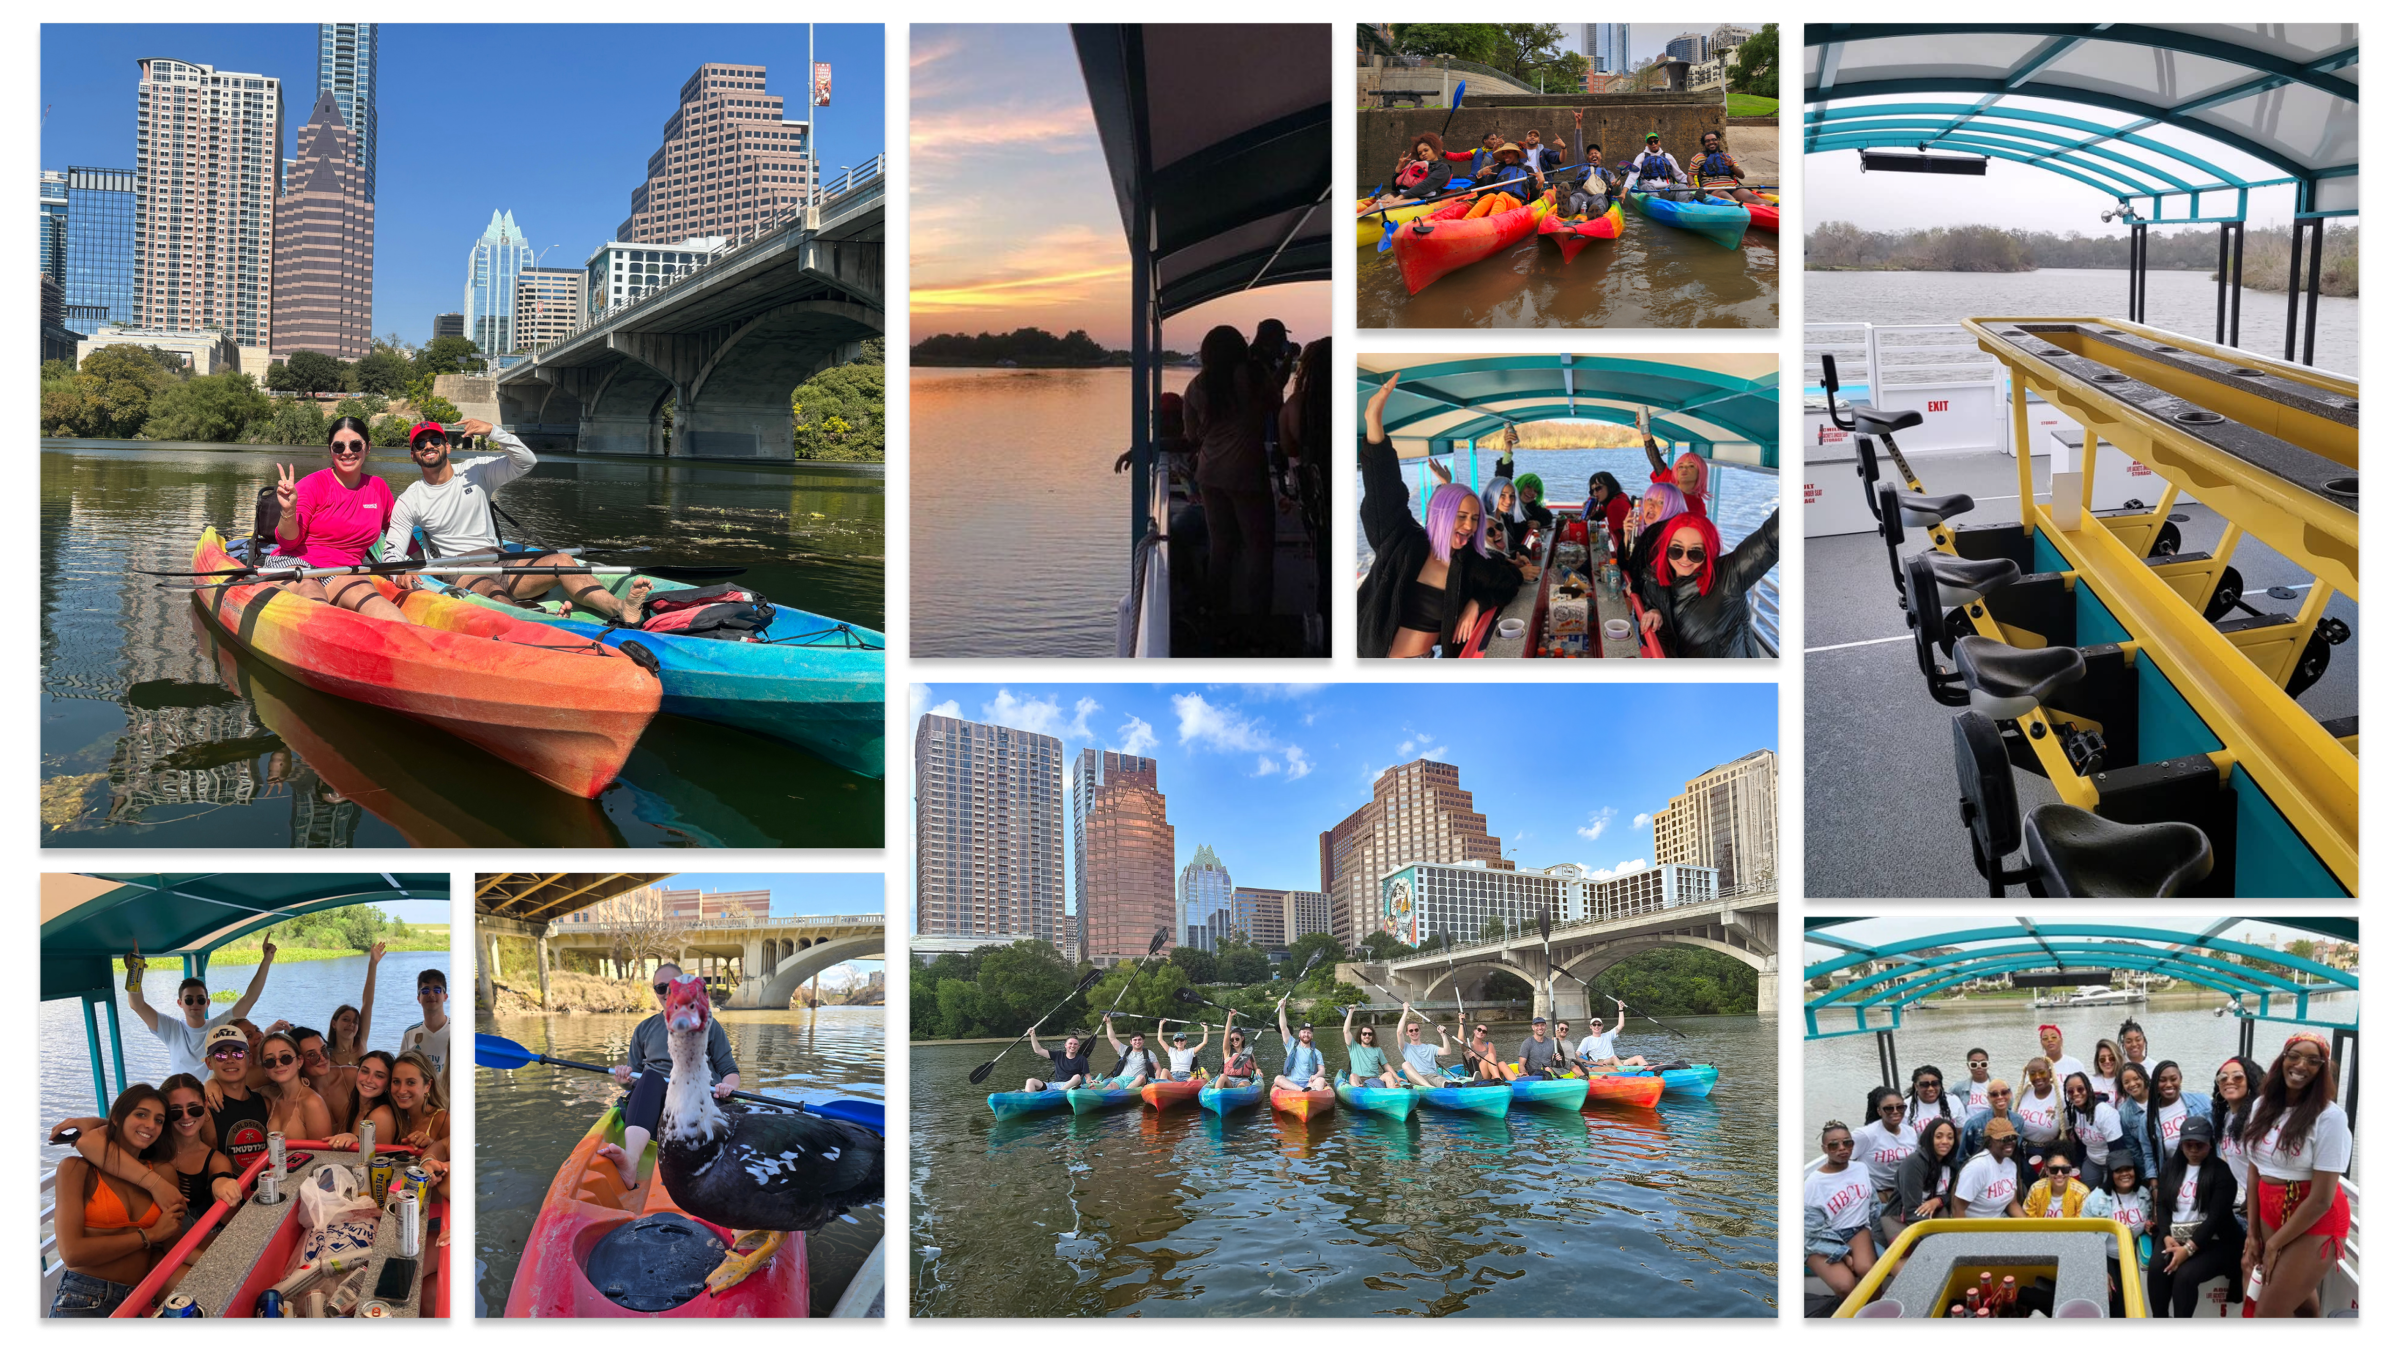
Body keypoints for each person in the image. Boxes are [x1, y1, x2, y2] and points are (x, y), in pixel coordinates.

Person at [381, 418, 649, 623]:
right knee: (491, 590)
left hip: (499, 558)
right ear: (413, 455)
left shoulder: (477, 471)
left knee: (563, 561)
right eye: (420, 443)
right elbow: (391, 554)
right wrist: (400, 572)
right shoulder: (410, 499)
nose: (429, 446)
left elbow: (526, 461)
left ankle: (621, 608)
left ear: (447, 446)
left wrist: (493, 431)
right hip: (458, 568)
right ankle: (542, 621)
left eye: (435, 440)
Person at [1356, 373, 1537, 661]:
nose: (1470, 526)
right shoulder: (1403, 542)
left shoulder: (1469, 562)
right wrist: (1374, 421)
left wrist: (1476, 603)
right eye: (1461, 516)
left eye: (1476, 519)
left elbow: (1507, 582)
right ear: (1441, 515)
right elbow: (1384, 492)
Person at [594, 963, 740, 1190]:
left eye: (671, 987)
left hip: (700, 1097)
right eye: (660, 988)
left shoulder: (709, 1025)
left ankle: (709, 1167)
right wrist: (624, 1078)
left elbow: (729, 1070)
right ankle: (631, 1160)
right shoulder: (644, 1028)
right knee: (650, 1077)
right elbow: (633, 1077)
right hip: (655, 1105)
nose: (666, 993)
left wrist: (726, 1086)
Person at [47, 1085, 184, 1318]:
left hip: (139, 1298)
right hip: (81, 1298)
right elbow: (71, 1253)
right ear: (118, 1118)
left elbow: (172, 1243)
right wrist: (148, 1236)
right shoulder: (76, 1169)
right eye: (141, 1114)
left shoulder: (163, 1174)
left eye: (159, 1120)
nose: (151, 1125)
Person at [2238, 1032, 2350, 1318]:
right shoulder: (2262, 1106)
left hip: (2315, 1218)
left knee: (2267, 1312)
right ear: (2283, 1059)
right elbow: (2254, 1171)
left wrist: (2273, 1244)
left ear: (2323, 1070)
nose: (2302, 1066)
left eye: (2314, 1061)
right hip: (2270, 1209)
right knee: (2300, 1304)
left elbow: (2322, 1199)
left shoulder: (2330, 1118)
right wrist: (2252, 1234)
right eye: (2295, 1056)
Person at [257, 418, 410, 621]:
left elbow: (397, 530)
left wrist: (408, 566)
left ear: (368, 447)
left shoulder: (378, 487)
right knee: (311, 590)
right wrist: (288, 510)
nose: (347, 452)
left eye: (355, 445)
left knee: (376, 603)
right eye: (339, 446)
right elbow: (288, 541)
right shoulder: (312, 484)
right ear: (331, 451)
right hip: (297, 563)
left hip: (345, 570)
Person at [1185, 326, 1277, 622]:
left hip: (1209, 473)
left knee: (1221, 547)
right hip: (1247, 472)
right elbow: (1276, 405)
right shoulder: (1253, 376)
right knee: (1259, 552)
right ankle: (1259, 624)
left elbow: (1191, 436)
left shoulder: (1196, 386)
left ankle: (1217, 619)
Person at [121, 934, 279, 1083]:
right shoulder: (171, 1029)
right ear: (180, 1003)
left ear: (208, 1003)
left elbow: (249, 998)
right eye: (189, 1000)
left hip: (210, 1101)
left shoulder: (220, 1027)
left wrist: (267, 960)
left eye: (200, 999)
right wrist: (135, 969)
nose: (195, 1004)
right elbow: (137, 1005)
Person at [1636, 506, 1783, 659]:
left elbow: (1770, 541)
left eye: (1695, 553)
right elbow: (1652, 636)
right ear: (1666, 548)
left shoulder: (1728, 577)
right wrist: (1653, 611)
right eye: (1676, 550)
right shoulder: (1654, 581)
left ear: (1708, 551)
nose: (1684, 558)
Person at [2143, 1115, 2239, 1317]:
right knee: (2156, 1269)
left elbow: (2216, 1219)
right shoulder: (2171, 1167)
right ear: (2181, 1144)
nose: (2194, 1150)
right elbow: (2161, 1204)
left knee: (2185, 1276)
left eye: (2199, 1145)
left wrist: (2187, 1249)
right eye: (2188, 1145)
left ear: (2210, 1144)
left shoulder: (2222, 1173)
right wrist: (2167, 1236)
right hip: (2174, 1234)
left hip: (2213, 1240)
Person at [1281, 336, 1337, 650]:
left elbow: (1288, 446)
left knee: (1325, 569)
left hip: (1319, 502)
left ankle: (1327, 638)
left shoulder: (1298, 404)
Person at [1803, 1121, 1879, 1299]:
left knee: (1870, 1274)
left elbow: (1872, 1204)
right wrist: (1843, 1255)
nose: (1842, 1148)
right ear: (1824, 1149)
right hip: (1820, 1239)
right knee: (1845, 1285)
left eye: (1848, 1142)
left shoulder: (1861, 1168)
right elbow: (1812, 1231)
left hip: (1856, 1230)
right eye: (1834, 1145)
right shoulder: (1813, 1183)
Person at [197, 1023, 273, 1176]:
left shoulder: (264, 1103)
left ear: (249, 1059)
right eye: (220, 1055)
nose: (230, 1060)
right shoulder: (205, 1110)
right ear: (208, 1063)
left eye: (238, 1053)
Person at [2136, 1061, 2213, 1198]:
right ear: (2155, 1084)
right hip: (2174, 1176)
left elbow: (2218, 1137)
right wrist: (2154, 1189)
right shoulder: (2147, 1119)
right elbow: (2149, 1156)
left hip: (2206, 1172)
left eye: (2173, 1079)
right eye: (2162, 1080)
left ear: (2180, 1079)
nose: (2169, 1084)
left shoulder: (2202, 1102)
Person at [387, 1049, 452, 1204]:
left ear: (428, 1085)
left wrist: (431, 1146)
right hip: (400, 1201)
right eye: (396, 1081)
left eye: (411, 1082)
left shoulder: (442, 1119)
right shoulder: (395, 1116)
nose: (401, 1090)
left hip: (432, 1213)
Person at [2211, 1055, 2268, 1220]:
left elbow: (2262, 1169)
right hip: (2250, 1199)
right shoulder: (2227, 1116)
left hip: (2265, 1200)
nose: (2229, 1081)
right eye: (2222, 1078)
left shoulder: (2257, 1119)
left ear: (2250, 1081)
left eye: (2237, 1077)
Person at [1885, 1117, 1958, 1242]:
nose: (1945, 1141)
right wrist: (1941, 1240)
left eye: (1950, 1137)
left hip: (1934, 1216)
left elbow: (1952, 1195)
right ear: (1929, 1138)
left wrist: (1938, 1201)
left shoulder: (1952, 1163)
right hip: (1902, 1219)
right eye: (1939, 1136)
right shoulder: (1914, 1163)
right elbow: (1912, 1212)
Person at [251, 1030, 333, 1141]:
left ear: (299, 1061)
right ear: (265, 1070)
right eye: (270, 1061)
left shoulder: (313, 1103)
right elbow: (240, 1090)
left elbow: (324, 1155)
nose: (279, 1064)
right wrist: (217, 1085)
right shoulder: (271, 1095)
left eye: (286, 1057)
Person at [1851, 1089, 1914, 1232]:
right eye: (1888, 1108)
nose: (1895, 1111)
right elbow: (1845, 1160)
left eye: (1900, 1107)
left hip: (1903, 1195)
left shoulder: (1910, 1132)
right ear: (1879, 1111)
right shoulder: (1865, 1135)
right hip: (1878, 1198)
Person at [1636, 406, 1710, 518]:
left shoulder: (1698, 506)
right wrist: (1645, 432)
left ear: (1701, 472)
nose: (1684, 469)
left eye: (1691, 466)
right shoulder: (1669, 481)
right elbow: (1656, 460)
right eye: (1680, 466)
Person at [397, 966, 451, 1112]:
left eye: (437, 989)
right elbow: (401, 1071)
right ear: (418, 998)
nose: (431, 994)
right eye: (425, 991)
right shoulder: (410, 1034)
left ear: (445, 996)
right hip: (421, 1105)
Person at [1548, 111, 1618, 221]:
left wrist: (1617, 184)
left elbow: (1615, 185)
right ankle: (1567, 208)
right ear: (1587, 158)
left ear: (1601, 157)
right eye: (1591, 154)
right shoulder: (1582, 166)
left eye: (1596, 153)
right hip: (1581, 193)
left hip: (1598, 195)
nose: (1594, 154)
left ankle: (1596, 211)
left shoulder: (1607, 172)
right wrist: (1578, 124)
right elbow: (1577, 146)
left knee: (1600, 198)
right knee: (1576, 198)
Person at [1952, 1116, 2026, 1218]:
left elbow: (2012, 1204)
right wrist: (1965, 1234)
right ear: (1989, 1141)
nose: (2009, 1142)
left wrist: (2030, 1228)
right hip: (1975, 1227)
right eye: (2003, 1138)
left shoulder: (2011, 1165)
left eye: (2013, 1138)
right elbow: (1957, 1208)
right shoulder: (1977, 1167)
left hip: (1997, 1224)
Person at [328, 1050, 401, 1153]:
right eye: (365, 1071)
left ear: (388, 1084)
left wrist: (355, 1138)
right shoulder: (350, 1107)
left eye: (379, 1076)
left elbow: (378, 1161)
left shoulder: (381, 1115)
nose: (369, 1080)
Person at [2062, 1071, 2124, 1188]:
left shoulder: (2105, 1113)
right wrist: (2078, 1165)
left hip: (2111, 1162)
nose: (2075, 1094)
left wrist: (2111, 1178)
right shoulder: (2074, 1112)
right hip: (2092, 1160)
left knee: (2106, 1195)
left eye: (2080, 1089)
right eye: (2070, 1091)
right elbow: (2080, 1145)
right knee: (2083, 1191)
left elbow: (2118, 1151)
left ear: (2089, 1089)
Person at [1621, 482, 1690, 584]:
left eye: (1661, 502)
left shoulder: (1660, 535)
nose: (1651, 505)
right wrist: (1628, 534)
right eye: (1649, 500)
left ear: (1673, 507)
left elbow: (1632, 570)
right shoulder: (1646, 530)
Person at [2012, 1057, 2066, 1186]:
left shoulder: (2061, 1097)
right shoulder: (2024, 1093)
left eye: (2042, 1072)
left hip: (2048, 1153)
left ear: (2050, 1072)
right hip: (2022, 1151)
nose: (2037, 1077)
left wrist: (2053, 1160)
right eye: (2032, 1074)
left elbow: (2066, 1133)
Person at [1366, 131, 1450, 206]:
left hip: (1422, 198)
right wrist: (1398, 169)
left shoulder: (1442, 168)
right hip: (1401, 194)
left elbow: (1426, 186)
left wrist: (1400, 197)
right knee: (1375, 206)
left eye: (1426, 150)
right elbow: (1395, 188)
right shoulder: (1417, 165)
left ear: (1435, 149)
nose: (1423, 154)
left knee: (1387, 206)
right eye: (1420, 153)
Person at [1687, 129, 1767, 205]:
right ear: (1704, 144)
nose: (1711, 142)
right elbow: (1690, 174)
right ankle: (1739, 208)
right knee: (1729, 198)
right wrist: (1693, 184)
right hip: (1713, 189)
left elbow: (1741, 176)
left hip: (1732, 187)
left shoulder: (1728, 157)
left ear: (1718, 140)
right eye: (1707, 141)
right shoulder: (1699, 158)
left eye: (1714, 139)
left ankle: (1776, 206)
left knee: (1752, 197)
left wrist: (1732, 166)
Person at [2114, 1062, 2157, 1185]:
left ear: (2144, 1077)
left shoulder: (2160, 1098)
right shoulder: (2124, 1113)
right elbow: (2134, 1150)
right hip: (2149, 1165)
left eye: (2136, 1078)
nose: (2132, 1084)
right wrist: (2148, 1173)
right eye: (2126, 1082)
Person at [1272, 1000, 1328, 1093]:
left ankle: (1309, 1091)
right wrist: (1282, 1008)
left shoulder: (1317, 1052)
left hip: (1309, 1082)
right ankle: (1303, 1091)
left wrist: (1316, 1076)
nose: (1306, 1034)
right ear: (1299, 1034)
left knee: (1321, 1080)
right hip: (1291, 1082)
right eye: (1304, 1032)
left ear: (1312, 1036)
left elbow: (1322, 1070)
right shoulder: (1291, 1044)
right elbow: (1283, 1027)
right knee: (1278, 1078)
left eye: (1309, 1032)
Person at [1391, 1003, 1449, 1088]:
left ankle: (1467, 1086)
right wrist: (1405, 1011)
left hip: (1431, 1076)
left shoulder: (1430, 1047)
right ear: (1407, 1033)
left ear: (1420, 1031)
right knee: (1405, 1064)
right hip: (1416, 1078)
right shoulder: (1405, 1047)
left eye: (1416, 1029)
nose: (1414, 1032)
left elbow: (1447, 1051)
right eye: (1411, 1031)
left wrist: (1443, 1035)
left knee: (1446, 1083)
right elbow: (1399, 1032)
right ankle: (1429, 1087)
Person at [1341, 1007, 1401, 1088]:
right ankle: (1359, 1090)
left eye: (1370, 1034)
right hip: (1359, 1079)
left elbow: (1386, 1065)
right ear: (1360, 1035)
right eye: (1364, 1033)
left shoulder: (1377, 1049)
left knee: (1388, 1074)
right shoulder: (1353, 1046)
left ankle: (1393, 1091)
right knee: (1352, 1076)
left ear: (1373, 1036)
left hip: (1374, 1080)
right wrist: (1351, 1012)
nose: (1367, 1036)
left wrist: (1397, 1077)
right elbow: (1346, 1031)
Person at [1580, 472, 1634, 562]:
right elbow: (1599, 515)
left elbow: (1623, 537)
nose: (1595, 493)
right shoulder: (1619, 496)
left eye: (1598, 488)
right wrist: (1590, 508)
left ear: (1610, 486)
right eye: (1592, 491)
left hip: (1625, 554)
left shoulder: (1614, 505)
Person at [1576, 1005, 1649, 1071]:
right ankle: (1625, 1072)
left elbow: (1621, 1025)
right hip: (1601, 1063)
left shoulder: (1608, 1035)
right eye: (1594, 1025)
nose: (1596, 1026)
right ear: (1590, 1027)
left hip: (1615, 1061)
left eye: (1599, 1024)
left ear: (1602, 1026)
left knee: (1639, 1057)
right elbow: (1577, 1054)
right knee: (1614, 1058)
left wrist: (1620, 1008)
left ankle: (1650, 1071)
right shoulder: (1587, 1040)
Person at [1093, 1014, 1157, 1089]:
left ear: (1143, 1041)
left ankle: (1124, 1093)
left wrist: (1156, 1082)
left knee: (1141, 1077)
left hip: (1137, 1081)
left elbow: (1158, 1069)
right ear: (1131, 1042)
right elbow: (1112, 1039)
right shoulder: (1124, 1050)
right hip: (1121, 1079)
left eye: (1140, 1039)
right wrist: (1108, 1023)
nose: (1137, 1042)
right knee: (1110, 1086)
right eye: (1135, 1040)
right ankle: (1100, 1094)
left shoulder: (1149, 1053)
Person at [1020, 1028, 1090, 1094]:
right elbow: (1038, 1050)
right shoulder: (1058, 1055)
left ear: (1078, 1046)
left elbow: (1087, 1077)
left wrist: (1091, 1082)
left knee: (1077, 1077)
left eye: (1075, 1044)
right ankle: (1028, 1100)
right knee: (1030, 1081)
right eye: (1070, 1043)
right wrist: (1032, 1035)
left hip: (1071, 1086)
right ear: (1065, 1045)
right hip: (1055, 1085)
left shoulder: (1082, 1059)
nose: (1072, 1046)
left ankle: (1058, 1093)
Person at [2026, 1149, 2090, 1220]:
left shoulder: (2082, 1193)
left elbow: (2082, 1225)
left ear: (2070, 1170)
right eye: (2054, 1170)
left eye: (2064, 1169)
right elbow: (2029, 1219)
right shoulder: (2035, 1189)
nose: (2060, 1174)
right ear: (2047, 1170)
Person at [1959, 1077, 2013, 1159]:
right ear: (1988, 1098)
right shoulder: (1974, 1124)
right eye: (1994, 1094)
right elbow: (1962, 1156)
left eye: (2004, 1092)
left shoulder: (2018, 1121)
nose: (2000, 1097)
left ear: (2010, 1094)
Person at [1442, 1020, 1510, 1084]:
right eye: (1479, 1030)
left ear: (1485, 1034)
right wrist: (1461, 1022)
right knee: (1490, 1056)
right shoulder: (1468, 1046)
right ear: (1474, 1031)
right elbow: (1460, 1039)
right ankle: (1497, 1079)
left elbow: (1493, 1062)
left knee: (1502, 1063)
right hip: (1478, 1075)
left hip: (1491, 1074)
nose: (1481, 1032)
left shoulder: (1489, 1044)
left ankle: (1516, 1082)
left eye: (1484, 1031)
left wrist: (1478, 1058)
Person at [1516, 1016, 1583, 1079]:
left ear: (1545, 1026)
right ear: (1533, 1027)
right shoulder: (1527, 1043)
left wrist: (1557, 1058)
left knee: (1549, 1069)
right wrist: (1524, 1073)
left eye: (1542, 1025)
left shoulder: (1551, 1042)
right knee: (1547, 1069)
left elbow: (1554, 1061)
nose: (1540, 1028)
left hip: (1549, 1071)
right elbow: (1521, 1064)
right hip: (1534, 1073)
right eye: (1537, 1026)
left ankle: (1571, 1079)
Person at [1210, 1018, 1258, 1091]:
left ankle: (1239, 1095)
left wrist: (1258, 1070)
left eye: (1237, 1039)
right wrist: (1230, 1017)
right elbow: (1226, 1034)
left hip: (1243, 1080)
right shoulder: (1227, 1051)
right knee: (1222, 1076)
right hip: (1229, 1080)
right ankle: (1217, 1093)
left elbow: (1256, 1068)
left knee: (1241, 1086)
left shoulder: (1249, 1053)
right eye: (1232, 1039)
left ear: (1242, 1038)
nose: (1234, 1041)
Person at [1161, 1018, 1212, 1085]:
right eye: (1177, 1040)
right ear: (1174, 1043)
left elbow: (1204, 1042)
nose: (1179, 1042)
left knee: (1192, 1079)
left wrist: (1205, 1028)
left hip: (1186, 1077)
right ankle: (1162, 1088)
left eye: (1181, 1040)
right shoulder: (1171, 1051)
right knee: (1164, 1070)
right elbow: (1160, 1040)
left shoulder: (1190, 1051)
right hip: (1173, 1077)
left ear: (1185, 1042)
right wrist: (1161, 1025)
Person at [2118, 1020, 2165, 1087]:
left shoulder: (2155, 1067)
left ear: (2144, 1040)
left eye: (2138, 1040)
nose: (2134, 1044)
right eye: (2129, 1041)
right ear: (2123, 1044)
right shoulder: (2117, 1064)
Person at [1950, 1048, 1994, 1114]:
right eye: (1974, 1064)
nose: (1979, 1067)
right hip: (1968, 1124)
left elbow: (2009, 1109)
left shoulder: (1999, 1087)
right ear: (1968, 1066)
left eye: (1983, 1064)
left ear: (1988, 1065)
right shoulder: (1958, 1088)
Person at [2092, 1038, 2126, 1103]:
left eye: (2111, 1058)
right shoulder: (2091, 1081)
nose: (2107, 1061)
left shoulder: (2125, 1080)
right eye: (2102, 1059)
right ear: (2097, 1062)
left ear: (2117, 1058)